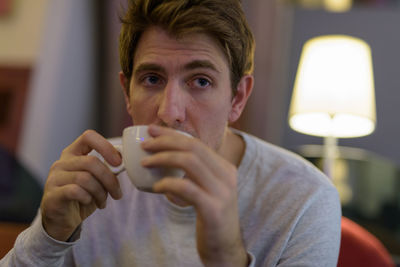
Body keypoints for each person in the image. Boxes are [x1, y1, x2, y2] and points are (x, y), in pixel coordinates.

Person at [0, 0, 341, 266]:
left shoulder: (305, 199)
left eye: (201, 81)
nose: (169, 112)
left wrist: (227, 259)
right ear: (126, 93)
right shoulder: (93, 177)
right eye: (152, 79)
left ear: (237, 99)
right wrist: (49, 236)